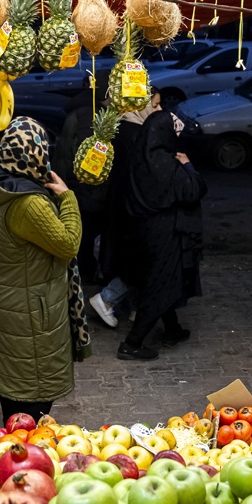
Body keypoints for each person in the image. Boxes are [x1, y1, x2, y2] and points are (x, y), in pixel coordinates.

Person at [0, 118, 90, 422]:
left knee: (13, 398)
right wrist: (67, 197)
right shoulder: (28, 203)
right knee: (33, 403)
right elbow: (67, 244)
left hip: (6, 308)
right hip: (31, 317)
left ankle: (13, 452)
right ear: (37, 154)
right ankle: (26, 459)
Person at [117, 109, 207, 360]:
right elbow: (194, 191)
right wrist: (188, 165)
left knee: (163, 280)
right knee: (161, 285)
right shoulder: (166, 164)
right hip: (166, 233)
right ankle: (132, 343)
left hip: (143, 231)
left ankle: (172, 330)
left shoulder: (140, 157)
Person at [88, 92, 161, 328]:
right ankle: (107, 299)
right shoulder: (138, 134)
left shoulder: (120, 128)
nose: (158, 110)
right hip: (132, 207)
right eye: (155, 104)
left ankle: (134, 307)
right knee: (138, 260)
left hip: (118, 203)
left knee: (130, 258)